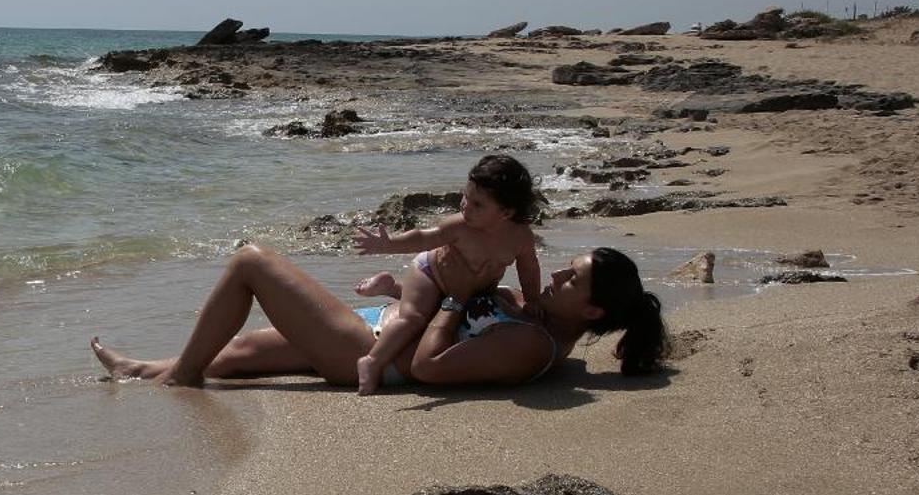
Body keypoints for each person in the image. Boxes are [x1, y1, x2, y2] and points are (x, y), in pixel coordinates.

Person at [89, 242, 665, 390]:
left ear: (591, 310)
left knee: (251, 263)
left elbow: (432, 369)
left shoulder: (532, 347)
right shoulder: (542, 322)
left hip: (371, 354)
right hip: (376, 326)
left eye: (573, 278)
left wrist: (454, 297)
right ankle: (141, 371)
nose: (559, 275)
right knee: (235, 357)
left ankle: (177, 379)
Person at [349, 154, 544, 395]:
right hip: (429, 275)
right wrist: (388, 245)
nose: (465, 206)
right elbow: (423, 237)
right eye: (465, 196)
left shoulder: (521, 237)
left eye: (477, 204)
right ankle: (372, 361)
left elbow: (529, 268)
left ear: (505, 212)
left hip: (472, 289)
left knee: (492, 303)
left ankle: (392, 288)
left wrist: (533, 299)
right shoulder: (459, 226)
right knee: (414, 317)